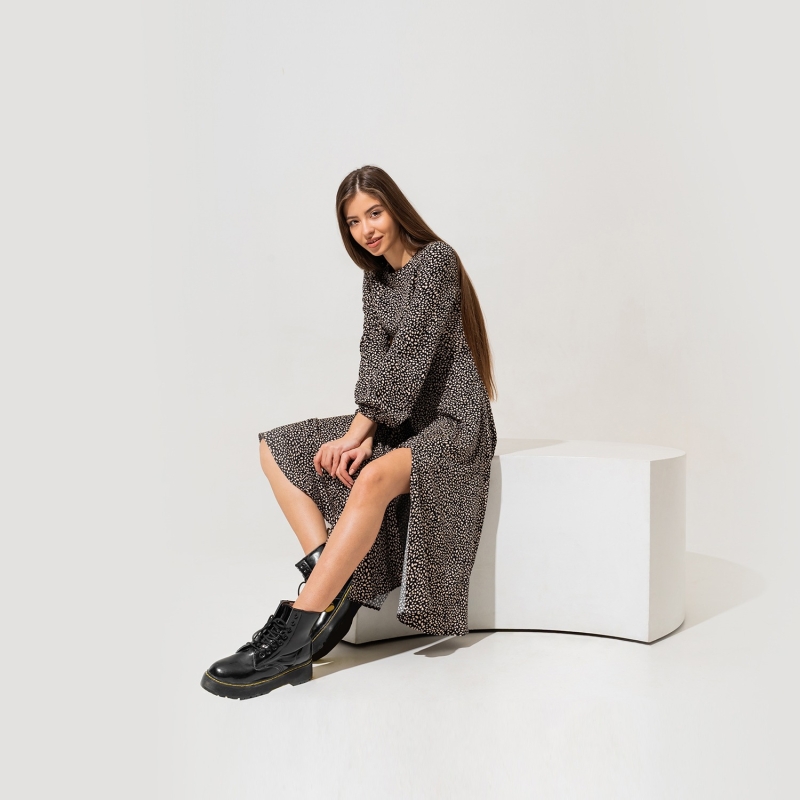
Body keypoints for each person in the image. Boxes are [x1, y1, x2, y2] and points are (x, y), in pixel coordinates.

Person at [201, 165, 498, 700]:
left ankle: (295, 635)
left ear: (396, 209)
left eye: (374, 213)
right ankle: (332, 585)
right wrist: (359, 434)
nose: (366, 230)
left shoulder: (437, 261)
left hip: (454, 422)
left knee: (372, 477)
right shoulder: (376, 278)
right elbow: (373, 362)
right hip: (399, 420)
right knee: (277, 447)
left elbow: (407, 360)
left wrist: (358, 435)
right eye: (353, 222)